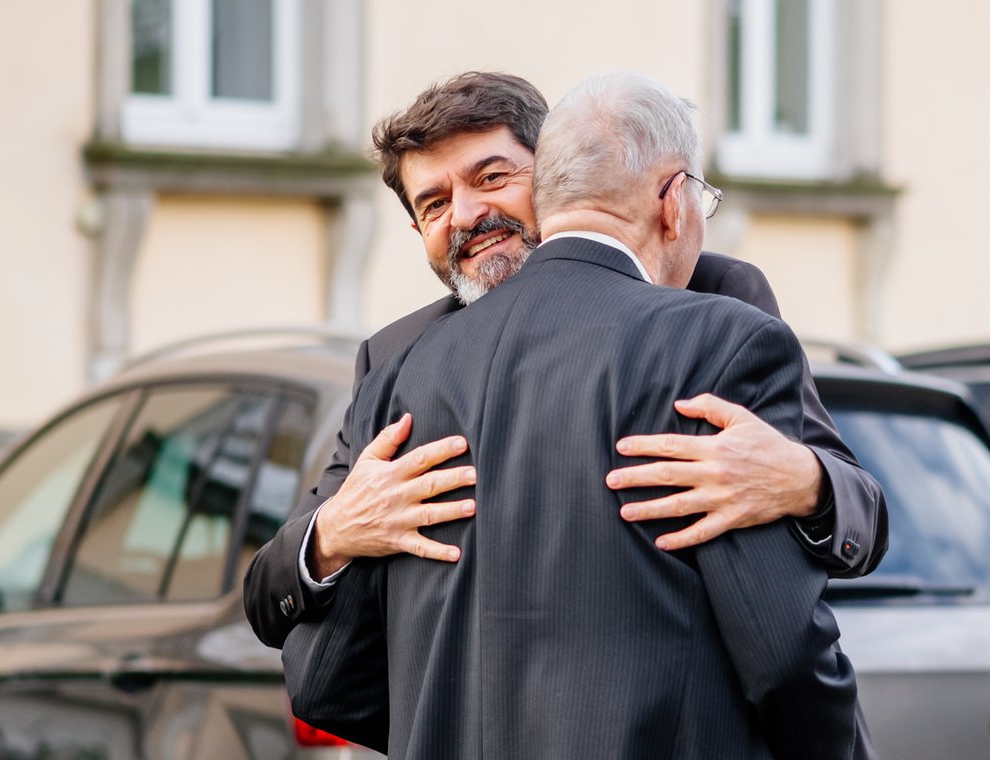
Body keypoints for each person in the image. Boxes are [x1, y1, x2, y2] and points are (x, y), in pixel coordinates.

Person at [284, 71, 868, 759]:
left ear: (554, 174)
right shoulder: (392, 362)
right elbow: (780, 646)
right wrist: (329, 536)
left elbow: (326, 681)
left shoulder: (408, 378)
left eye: (493, 176)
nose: (467, 215)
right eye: (435, 202)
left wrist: (806, 479)